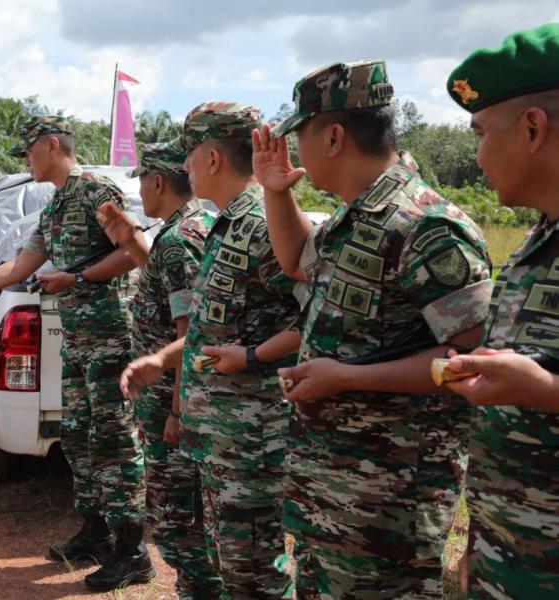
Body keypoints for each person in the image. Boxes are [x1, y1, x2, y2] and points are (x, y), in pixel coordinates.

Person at [253, 60, 493, 597]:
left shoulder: (427, 226)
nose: (298, 153)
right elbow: (297, 261)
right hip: (333, 490)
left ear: (334, 136)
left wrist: (347, 378)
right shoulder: (356, 216)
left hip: (390, 501)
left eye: (302, 137)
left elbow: (477, 363)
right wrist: (275, 190)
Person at [0, 115, 151, 590]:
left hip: (111, 339)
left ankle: (133, 550)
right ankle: (96, 531)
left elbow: (134, 249)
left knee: (115, 440)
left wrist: (78, 279)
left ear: (51, 144)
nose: (25, 158)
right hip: (80, 342)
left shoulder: (94, 191)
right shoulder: (58, 203)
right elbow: (17, 267)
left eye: (28, 149)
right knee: (80, 437)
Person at [122, 102, 301, 598]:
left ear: (214, 159)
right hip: (222, 435)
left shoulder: (263, 226)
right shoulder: (225, 227)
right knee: (231, 565)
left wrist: (254, 357)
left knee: (255, 574)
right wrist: (163, 360)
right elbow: (207, 331)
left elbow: (319, 318)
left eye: (191, 156)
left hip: (253, 437)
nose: (185, 168)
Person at [440, 23, 559, 598]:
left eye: (481, 133)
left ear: (533, 129)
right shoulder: (539, 239)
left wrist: (544, 388)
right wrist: (487, 541)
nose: (477, 153)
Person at [99, 140, 224, 599]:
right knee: (188, 522)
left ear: (156, 181)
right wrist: (131, 240)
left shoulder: (180, 239)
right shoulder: (192, 228)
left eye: (141, 182)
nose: (140, 192)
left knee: (180, 526)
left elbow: (193, 331)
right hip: (178, 400)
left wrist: (177, 412)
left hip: (178, 405)